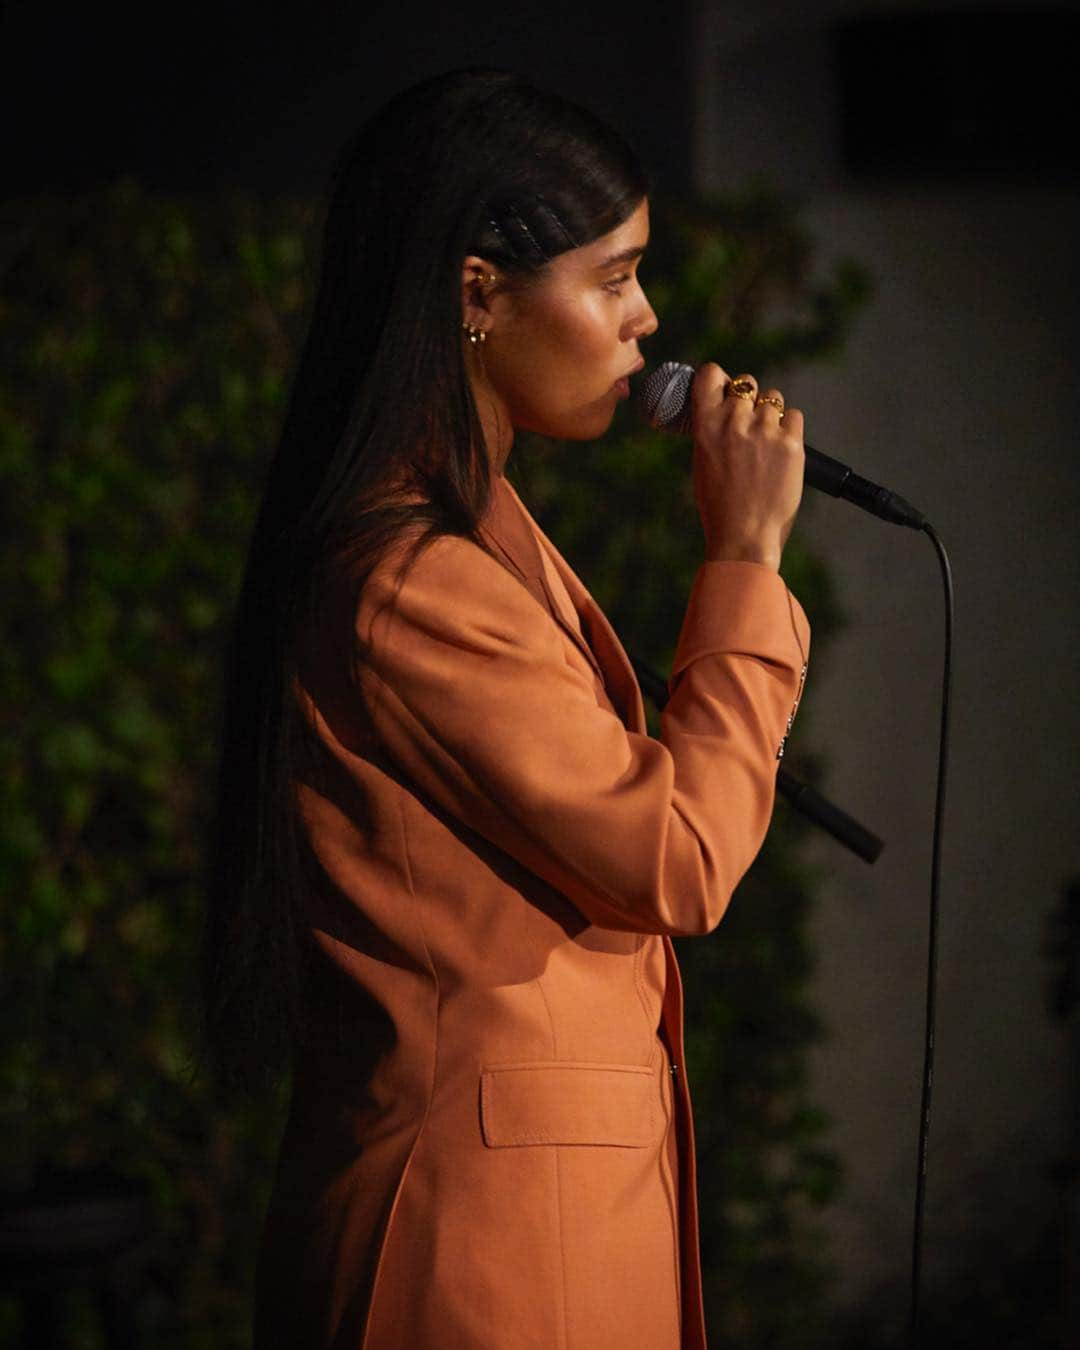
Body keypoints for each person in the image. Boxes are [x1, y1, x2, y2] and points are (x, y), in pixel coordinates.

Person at [200, 68, 809, 1350]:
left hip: (544, 1225)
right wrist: (746, 563)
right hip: (477, 1255)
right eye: (614, 277)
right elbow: (680, 860)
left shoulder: (472, 536)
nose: (650, 322)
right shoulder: (412, 580)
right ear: (478, 294)